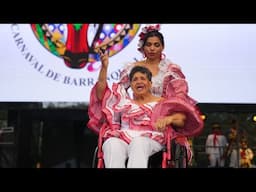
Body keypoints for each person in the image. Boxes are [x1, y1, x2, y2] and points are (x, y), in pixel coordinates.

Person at [87, 48, 204, 168]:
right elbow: (101, 92)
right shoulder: (122, 102)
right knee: (111, 143)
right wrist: (104, 67)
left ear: (150, 83)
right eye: (135, 80)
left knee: (138, 143)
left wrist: (169, 119)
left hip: (150, 139)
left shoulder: (161, 102)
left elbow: (181, 118)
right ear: (131, 85)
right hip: (123, 137)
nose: (139, 82)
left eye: (142, 79)